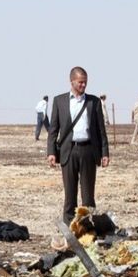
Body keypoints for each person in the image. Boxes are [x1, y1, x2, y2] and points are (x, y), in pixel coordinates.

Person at [47, 67, 109, 226]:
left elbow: (100, 129)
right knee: (70, 194)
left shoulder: (93, 101)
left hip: (88, 150)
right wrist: (51, 152)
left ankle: (88, 226)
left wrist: (105, 153)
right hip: (68, 151)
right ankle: (69, 229)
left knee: (88, 195)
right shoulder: (59, 101)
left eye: (85, 82)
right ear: (72, 81)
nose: (83, 85)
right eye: (80, 82)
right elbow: (53, 130)